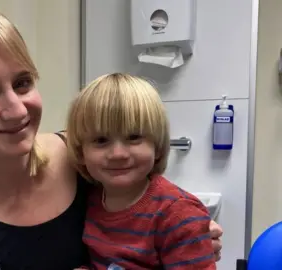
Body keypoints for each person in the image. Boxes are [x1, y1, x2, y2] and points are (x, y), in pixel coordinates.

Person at [0, 5, 223, 270]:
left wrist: (189, 235)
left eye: (22, 82)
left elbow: (158, 212)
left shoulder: (88, 157)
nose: (17, 110)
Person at [66, 73, 217, 270]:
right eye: (101, 140)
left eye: (134, 137)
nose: (117, 154)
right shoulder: (92, 198)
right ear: (81, 152)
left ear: (157, 144)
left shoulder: (178, 216)